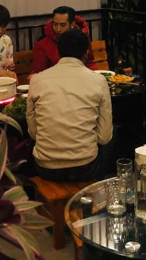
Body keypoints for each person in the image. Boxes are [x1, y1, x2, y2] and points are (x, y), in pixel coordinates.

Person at [27, 30, 113, 182]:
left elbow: (33, 133)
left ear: (58, 52)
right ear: (86, 53)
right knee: (114, 135)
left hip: (46, 167)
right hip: (85, 167)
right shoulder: (99, 81)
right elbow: (104, 137)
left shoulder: (37, 80)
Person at [30, 6, 96, 77]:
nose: (58, 29)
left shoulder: (82, 37)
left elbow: (89, 63)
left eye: (63, 25)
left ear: (72, 24)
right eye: (55, 24)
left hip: (82, 77)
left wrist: (93, 76)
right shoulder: (42, 43)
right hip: (54, 79)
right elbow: (38, 72)